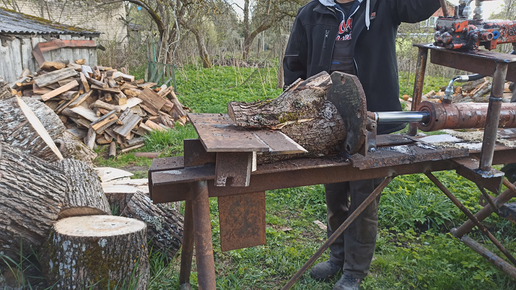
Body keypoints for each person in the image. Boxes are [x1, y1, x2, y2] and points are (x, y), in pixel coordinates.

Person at [283, 0, 440, 289]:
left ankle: (354, 270)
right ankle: (337, 257)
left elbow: (420, 7)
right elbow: (294, 63)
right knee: (334, 192)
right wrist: (297, 109)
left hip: (375, 120)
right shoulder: (311, 13)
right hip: (328, 122)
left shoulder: (384, 5)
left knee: (364, 198)